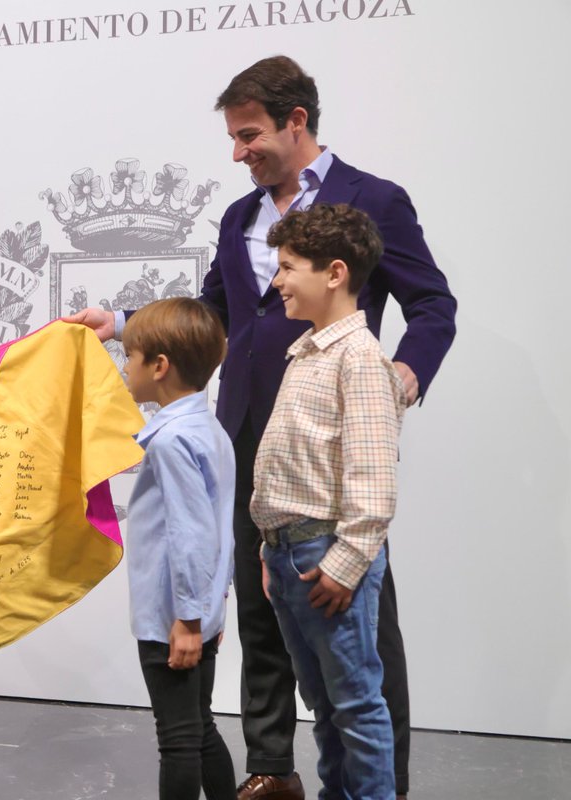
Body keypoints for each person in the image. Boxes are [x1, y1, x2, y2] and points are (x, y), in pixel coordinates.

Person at [64, 56, 456, 800]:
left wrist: (403, 375)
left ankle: (383, 783)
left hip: (329, 441)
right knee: (259, 603)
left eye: (249, 136)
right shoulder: (239, 217)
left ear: (296, 121)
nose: (238, 152)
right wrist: (119, 325)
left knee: (359, 621)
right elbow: (212, 312)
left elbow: (434, 306)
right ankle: (272, 768)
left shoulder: (374, 199)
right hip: (244, 431)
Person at [254, 202, 405, 799]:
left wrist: (345, 563)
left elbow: (372, 478)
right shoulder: (308, 351)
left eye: (288, 267)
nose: (277, 281)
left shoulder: (361, 358)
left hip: (327, 556)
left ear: (335, 273)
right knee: (324, 703)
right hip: (291, 556)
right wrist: (274, 556)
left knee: (356, 705)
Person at [121, 298, 237, 800]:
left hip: (172, 618)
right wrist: (211, 611)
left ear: (159, 367)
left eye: (130, 356)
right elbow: (218, 530)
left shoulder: (171, 442)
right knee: (200, 726)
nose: (125, 366)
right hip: (199, 614)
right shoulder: (210, 430)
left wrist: (187, 620)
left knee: (179, 739)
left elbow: (191, 534)